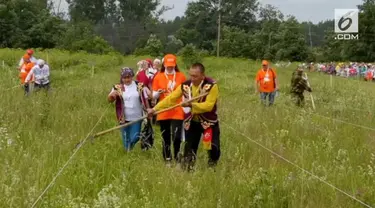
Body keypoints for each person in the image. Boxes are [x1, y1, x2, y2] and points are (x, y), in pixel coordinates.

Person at [151, 54, 186, 166]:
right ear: (164, 65)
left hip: (178, 109)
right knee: (165, 136)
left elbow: (185, 92)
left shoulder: (181, 76)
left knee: (176, 136)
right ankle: (167, 158)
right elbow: (153, 96)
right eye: (167, 65)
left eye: (172, 65)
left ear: (175, 65)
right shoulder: (158, 76)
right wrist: (158, 93)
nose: (170, 67)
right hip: (163, 109)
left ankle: (177, 156)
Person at [107, 67, 151, 152]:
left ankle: (129, 147)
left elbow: (145, 99)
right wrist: (112, 96)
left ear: (132, 76)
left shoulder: (139, 85)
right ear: (122, 78)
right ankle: (128, 153)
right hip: (123, 117)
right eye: (125, 77)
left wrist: (148, 109)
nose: (127, 79)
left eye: (129, 77)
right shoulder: (117, 87)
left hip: (137, 116)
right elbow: (109, 100)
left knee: (136, 136)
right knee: (125, 137)